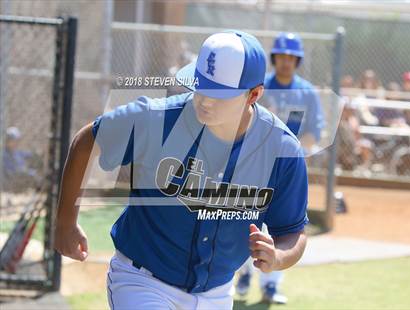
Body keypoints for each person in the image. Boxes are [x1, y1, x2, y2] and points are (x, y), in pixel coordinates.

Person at [54, 30, 309, 310]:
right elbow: (88, 140)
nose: (205, 100)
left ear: (254, 95)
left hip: (217, 292)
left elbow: (292, 232)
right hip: (143, 281)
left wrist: (279, 257)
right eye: (200, 87)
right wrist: (66, 221)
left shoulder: (281, 149)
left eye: (219, 94)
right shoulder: (157, 119)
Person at [236, 32, 324, 304]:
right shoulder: (261, 87)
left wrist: (292, 151)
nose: (286, 62)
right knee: (242, 222)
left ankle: (271, 285)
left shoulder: (307, 93)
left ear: (297, 61)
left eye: (291, 57)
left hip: (286, 171)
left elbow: (314, 132)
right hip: (253, 165)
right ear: (274, 58)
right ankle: (242, 273)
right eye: (281, 56)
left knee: (282, 229)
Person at [2, 127, 39, 192]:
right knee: (33, 174)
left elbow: (27, 154)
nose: (16, 143)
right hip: (12, 179)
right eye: (13, 140)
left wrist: (36, 153)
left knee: (34, 173)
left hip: (20, 175)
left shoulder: (16, 152)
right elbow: (11, 171)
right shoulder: (5, 154)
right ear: (7, 141)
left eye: (17, 141)